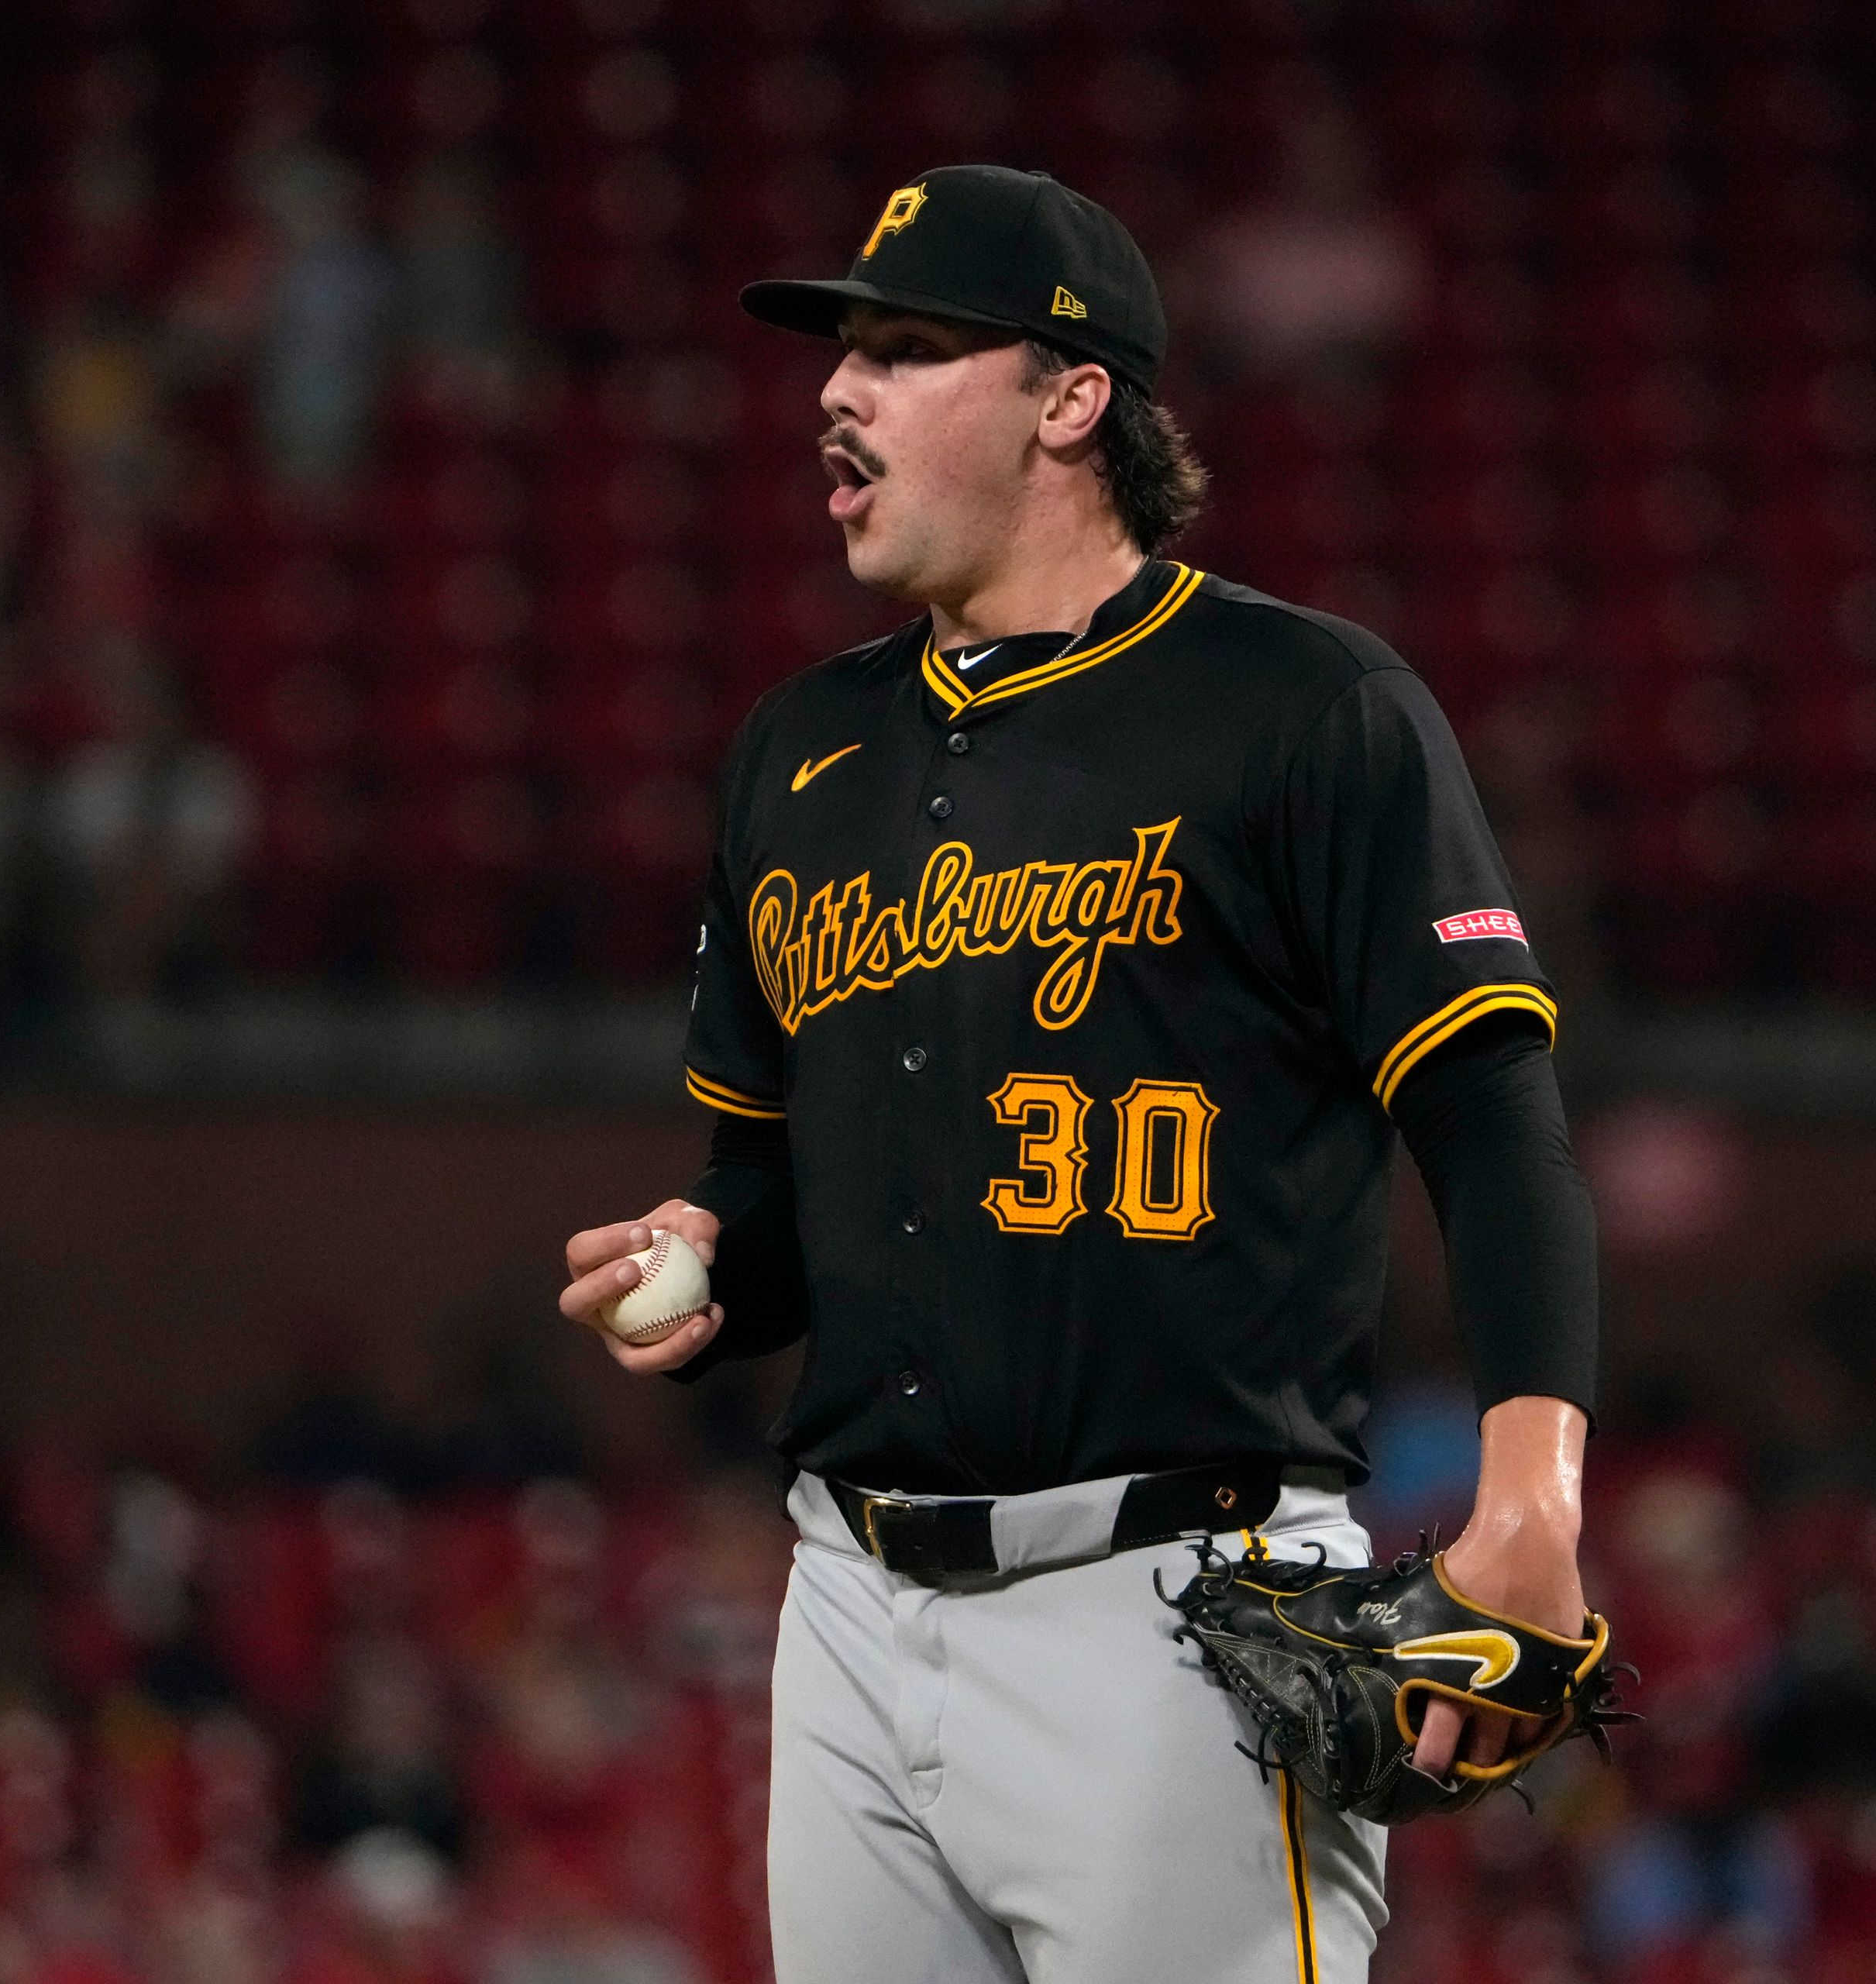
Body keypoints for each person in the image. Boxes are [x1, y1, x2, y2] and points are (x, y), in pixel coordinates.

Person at [556, 166, 1600, 1983]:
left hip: (1177, 1606)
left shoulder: (1302, 708)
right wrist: (710, 1253)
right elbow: (777, 1191)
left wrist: (1533, 1499)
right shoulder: (800, 751)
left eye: (903, 347)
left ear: (1070, 396)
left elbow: (1495, 1129)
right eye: (840, 352)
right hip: (853, 1612)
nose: (837, 390)